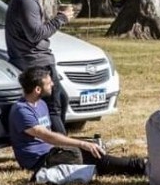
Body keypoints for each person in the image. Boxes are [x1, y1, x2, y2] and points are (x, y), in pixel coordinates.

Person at [9, 67, 146, 177]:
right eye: (48, 83)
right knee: (83, 153)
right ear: (37, 89)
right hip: (38, 161)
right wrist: (81, 143)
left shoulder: (41, 104)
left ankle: (138, 165)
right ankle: (140, 166)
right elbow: (47, 136)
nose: (52, 84)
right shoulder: (22, 111)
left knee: (92, 151)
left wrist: (85, 143)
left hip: (53, 152)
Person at [5, 0, 75, 134]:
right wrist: (61, 18)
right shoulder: (26, 1)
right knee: (54, 107)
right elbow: (35, 34)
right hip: (35, 62)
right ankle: (64, 149)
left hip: (40, 59)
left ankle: (57, 143)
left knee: (62, 99)